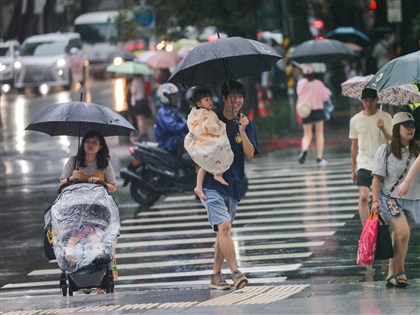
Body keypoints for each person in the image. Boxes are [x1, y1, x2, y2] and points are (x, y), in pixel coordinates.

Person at [200, 81, 258, 290]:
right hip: (211, 183)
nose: (238, 100)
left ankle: (216, 275)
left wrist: (242, 130)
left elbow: (250, 154)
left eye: (240, 96)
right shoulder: (211, 120)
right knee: (224, 227)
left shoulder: (245, 123)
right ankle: (235, 272)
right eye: (233, 96)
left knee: (222, 231)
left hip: (234, 185)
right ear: (223, 98)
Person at [371, 112, 420, 288]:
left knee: (401, 237)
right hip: (389, 198)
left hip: (412, 200)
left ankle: (391, 275)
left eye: (413, 125)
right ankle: (401, 271)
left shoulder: (417, 149)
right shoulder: (386, 149)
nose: (411, 129)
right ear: (397, 128)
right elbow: (376, 178)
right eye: (406, 125)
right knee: (403, 231)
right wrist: (375, 201)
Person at [349, 88, 392, 225]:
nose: (367, 104)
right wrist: (353, 168)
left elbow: (393, 140)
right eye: (365, 101)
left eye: (370, 101)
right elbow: (354, 145)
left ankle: (380, 226)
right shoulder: (355, 120)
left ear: (376, 100)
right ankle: (367, 229)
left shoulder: (385, 117)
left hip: (381, 164)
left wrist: (383, 128)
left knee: (380, 199)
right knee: (363, 197)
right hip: (364, 163)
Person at [184, 87, 234, 201]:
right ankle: (203, 184)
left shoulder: (198, 113)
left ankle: (213, 176)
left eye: (211, 99)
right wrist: (220, 126)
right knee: (219, 146)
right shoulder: (204, 114)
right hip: (201, 140)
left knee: (205, 162)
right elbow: (211, 128)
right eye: (206, 100)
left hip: (200, 139)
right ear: (198, 103)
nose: (210, 101)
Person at [296, 64, 331, 166]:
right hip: (318, 110)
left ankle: (304, 150)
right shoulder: (319, 83)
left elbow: (298, 94)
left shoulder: (301, 84)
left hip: (306, 111)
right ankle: (319, 159)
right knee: (319, 134)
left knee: (307, 134)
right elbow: (325, 98)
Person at [154, 83, 188, 154]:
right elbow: (173, 127)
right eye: (173, 96)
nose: (175, 98)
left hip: (175, 139)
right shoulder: (163, 112)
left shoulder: (173, 110)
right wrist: (187, 124)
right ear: (165, 96)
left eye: (175, 95)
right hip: (167, 142)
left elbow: (182, 121)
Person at [130, 74, 151, 141]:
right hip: (143, 101)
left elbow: (133, 91)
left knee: (139, 118)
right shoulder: (142, 80)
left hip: (138, 102)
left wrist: (130, 87)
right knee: (143, 118)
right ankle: (145, 132)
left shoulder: (135, 81)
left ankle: (142, 133)